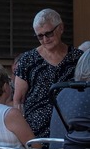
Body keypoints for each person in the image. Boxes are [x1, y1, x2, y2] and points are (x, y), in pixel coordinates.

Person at [13, 9, 82, 139]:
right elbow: (18, 100)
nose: (45, 39)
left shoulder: (78, 58)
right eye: (40, 36)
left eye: (49, 34)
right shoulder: (28, 60)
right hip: (37, 135)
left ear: (61, 28)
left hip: (71, 131)